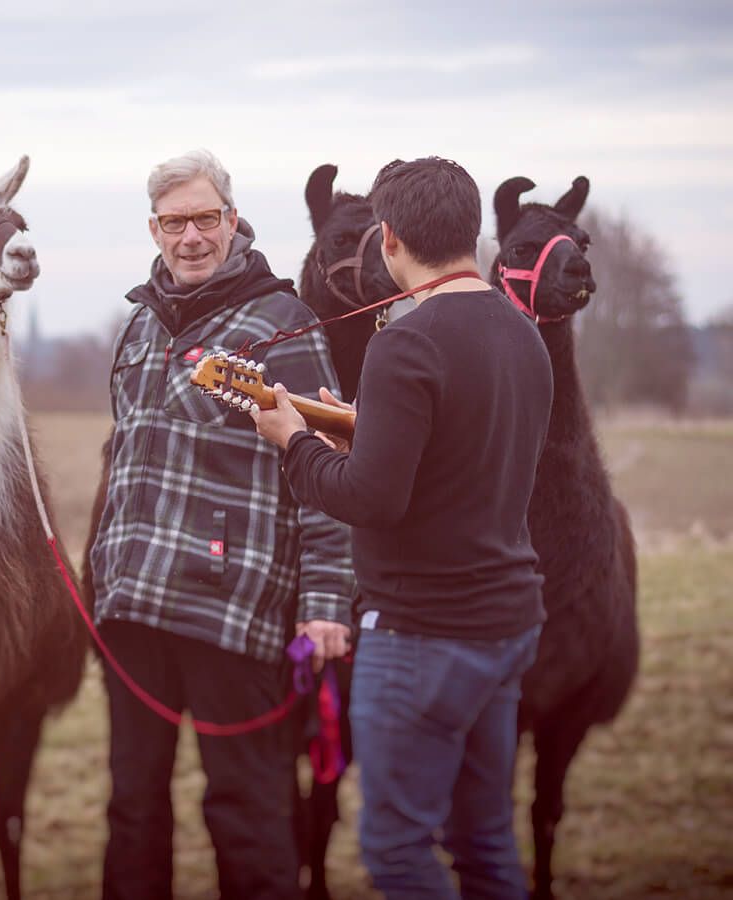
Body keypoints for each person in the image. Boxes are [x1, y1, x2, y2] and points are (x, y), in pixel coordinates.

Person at [251, 157, 553, 899]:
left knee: (395, 849)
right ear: (471, 229)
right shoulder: (524, 335)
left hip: (423, 635)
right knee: (484, 842)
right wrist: (365, 431)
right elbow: (460, 461)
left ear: (389, 240)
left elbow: (370, 500)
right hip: (507, 626)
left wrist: (296, 442)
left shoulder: (406, 340)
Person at [89, 149, 355, 900]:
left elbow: (325, 475)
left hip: (234, 611)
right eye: (174, 223)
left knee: (245, 809)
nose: (191, 237)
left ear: (232, 221)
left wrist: (327, 602)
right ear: (155, 230)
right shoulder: (138, 325)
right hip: (134, 609)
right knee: (131, 808)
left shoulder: (284, 325)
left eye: (206, 218)